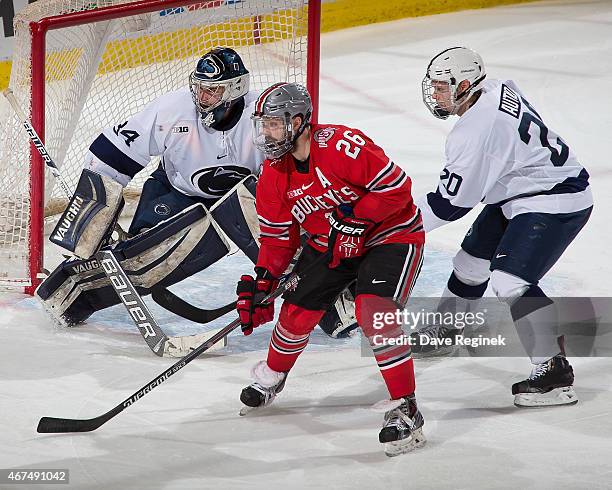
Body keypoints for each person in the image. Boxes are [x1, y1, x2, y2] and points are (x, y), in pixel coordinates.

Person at [36, 47, 355, 341]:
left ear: (235, 90)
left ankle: (333, 300)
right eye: (198, 87)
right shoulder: (172, 110)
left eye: (212, 90)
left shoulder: (262, 118)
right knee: (149, 259)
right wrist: (90, 215)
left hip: (245, 197)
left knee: (277, 233)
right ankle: (70, 292)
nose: (201, 96)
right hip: (177, 193)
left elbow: (299, 173)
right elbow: (112, 151)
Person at [234, 82, 426, 457]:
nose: (267, 133)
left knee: (376, 312)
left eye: (275, 124)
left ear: (301, 122)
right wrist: (263, 282)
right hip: (329, 246)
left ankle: (406, 407)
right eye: (264, 124)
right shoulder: (273, 176)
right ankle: (273, 375)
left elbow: (399, 190)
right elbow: (277, 242)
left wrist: (356, 217)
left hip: (390, 235)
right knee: (295, 312)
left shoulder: (342, 146)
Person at [413, 47, 593, 407]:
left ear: (465, 85)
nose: (435, 95)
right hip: (520, 190)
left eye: (442, 87)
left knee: (511, 281)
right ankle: (449, 329)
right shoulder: (494, 87)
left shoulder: (476, 130)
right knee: (468, 265)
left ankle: (554, 373)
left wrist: (398, 228)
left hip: (554, 199)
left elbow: (450, 206)